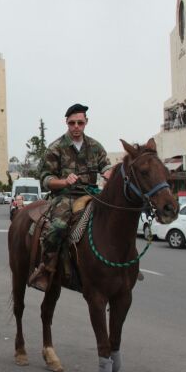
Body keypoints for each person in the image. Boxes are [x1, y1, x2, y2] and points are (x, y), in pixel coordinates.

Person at [28, 103, 112, 291]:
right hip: (64, 196)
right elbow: (45, 178)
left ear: (86, 123)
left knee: (116, 220)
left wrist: (109, 172)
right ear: (66, 122)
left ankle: (123, 264)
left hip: (91, 194)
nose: (76, 127)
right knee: (57, 227)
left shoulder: (95, 146)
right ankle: (46, 268)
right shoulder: (56, 147)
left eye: (80, 123)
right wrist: (64, 181)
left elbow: (105, 165)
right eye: (72, 123)